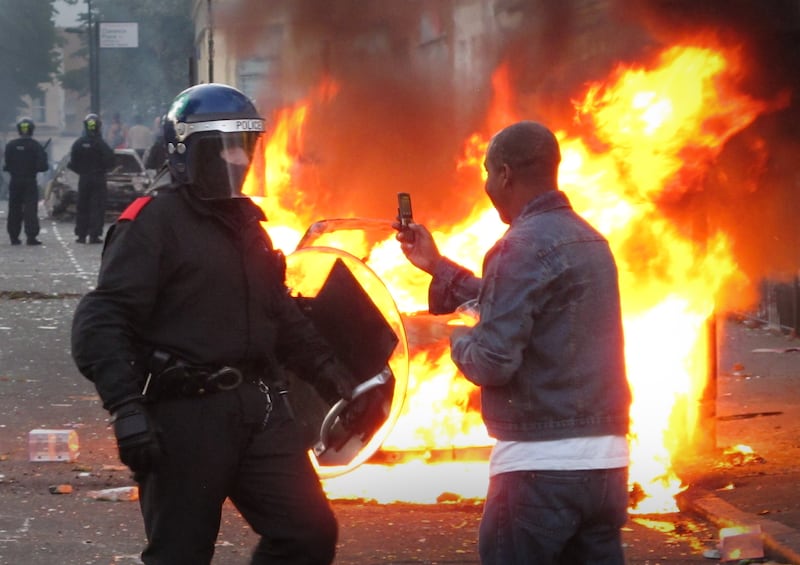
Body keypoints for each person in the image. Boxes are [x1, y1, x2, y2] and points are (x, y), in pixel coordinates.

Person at [71, 83, 369, 565]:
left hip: (262, 409)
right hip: (186, 416)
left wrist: (334, 375)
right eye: (223, 145)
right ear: (185, 151)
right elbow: (101, 321)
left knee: (308, 534)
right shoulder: (151, 223)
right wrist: (125, 408)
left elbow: (280, 313)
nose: (236, 159)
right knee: (180, 554)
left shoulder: (248, 224)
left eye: (243, 145)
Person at [396, 121, 632, 564]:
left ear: (504, 173)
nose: (487, 185)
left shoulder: (519, 246)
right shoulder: (591, 241)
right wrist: (436, 266)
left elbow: (491, 361)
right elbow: (518, 304)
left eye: (486, 173)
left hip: (538, 472)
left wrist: (451, 333)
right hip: (606, 470)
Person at [68, 113, 115, 244]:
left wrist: (82, 171)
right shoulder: (101, 144)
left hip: (84, 178)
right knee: (97, 207)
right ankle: (94, 235)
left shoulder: (78, 143)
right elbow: (111, 160)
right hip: (98, 178)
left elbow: (72, 162)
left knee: (82, 206)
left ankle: (81, 234)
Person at [3, 117, 48, 245]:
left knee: (14, 209)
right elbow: (43, 166)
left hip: (15, 181)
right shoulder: (35, 146)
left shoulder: (11, 145)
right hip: (30, 181)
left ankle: (14, 236)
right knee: (30, 209)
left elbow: (7, 165)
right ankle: (31, 236)